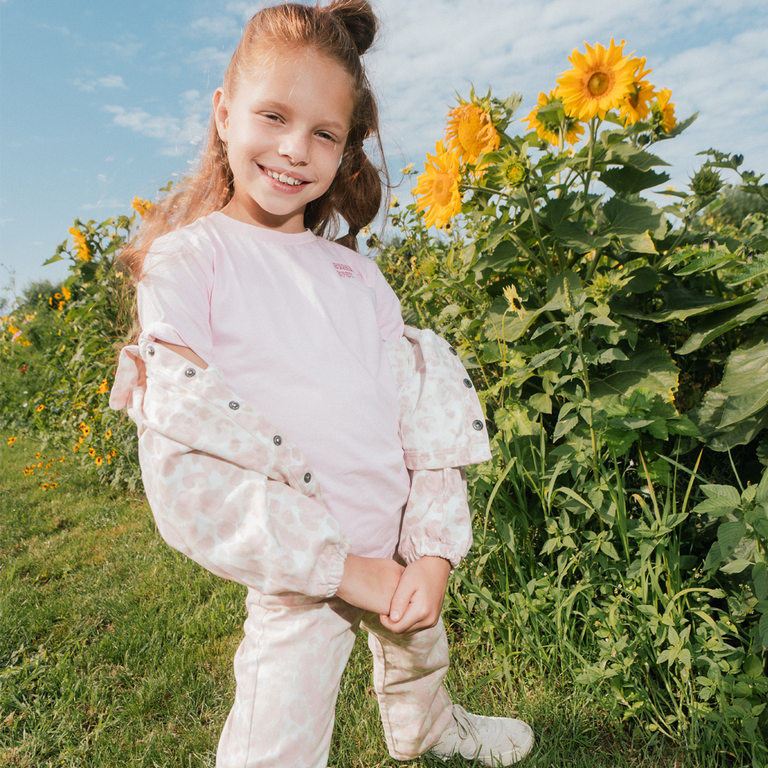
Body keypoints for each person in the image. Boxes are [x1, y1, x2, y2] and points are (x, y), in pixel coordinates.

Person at [109, 1, 534, 766]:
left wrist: (430, 552)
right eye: (273, 116)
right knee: (277, 734)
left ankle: (429, 728)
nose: (294, 149)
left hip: (398, 545)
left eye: (324, 134)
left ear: (346, 149)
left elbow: (419, 416)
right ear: (224, 113)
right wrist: (341, 569)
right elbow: (185, 449)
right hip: (300, 566)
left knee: (420, 654)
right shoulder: (192, 262)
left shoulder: (357, 277)